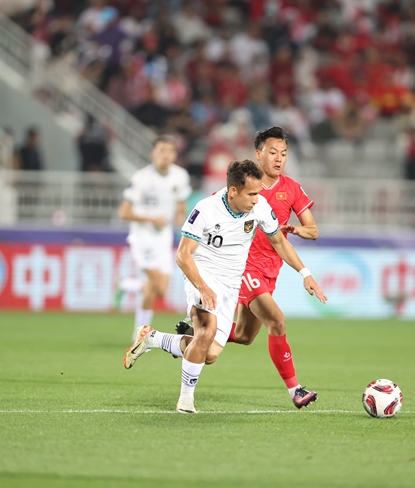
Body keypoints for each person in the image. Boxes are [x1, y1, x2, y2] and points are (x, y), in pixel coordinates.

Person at [124, 159, 327, 414]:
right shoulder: (206, 210)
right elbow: (182, 255)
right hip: (202, 274)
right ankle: (185, 401)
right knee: (206, 332)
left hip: (231, 283)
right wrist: (203, 287)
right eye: (251, 194)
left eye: (258, 193)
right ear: (233, 191)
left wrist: (305, 273)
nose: (257, 199)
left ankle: (154, 338)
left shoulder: (260, 207)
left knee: (207, 354)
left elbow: (279, 242)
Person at [179, 126, 324, 409]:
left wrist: (303, 262)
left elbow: (311, 231)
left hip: (270, 270)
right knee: (277, 321)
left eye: (283, 153)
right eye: (272, 152)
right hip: (243, 269)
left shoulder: (290, 190)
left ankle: (184, 335)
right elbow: (214, 217)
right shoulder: (235, 191)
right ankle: (295, 389)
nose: (279, 159)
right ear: (259, 155)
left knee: (244, 336)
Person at [117, 136, 191, 339]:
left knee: (159, 290)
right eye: (161, 150)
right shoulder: (141, 178)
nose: (165, 154)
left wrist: (179, 216)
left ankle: (126, 287)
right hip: (143, 237)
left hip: (163, 238)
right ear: (153, 153)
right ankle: (140, 334)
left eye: (169, 150)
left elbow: (181, 202)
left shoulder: (180, 176)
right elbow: (124, 212)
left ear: (175, 154)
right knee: (155, 284)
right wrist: (151, 219)